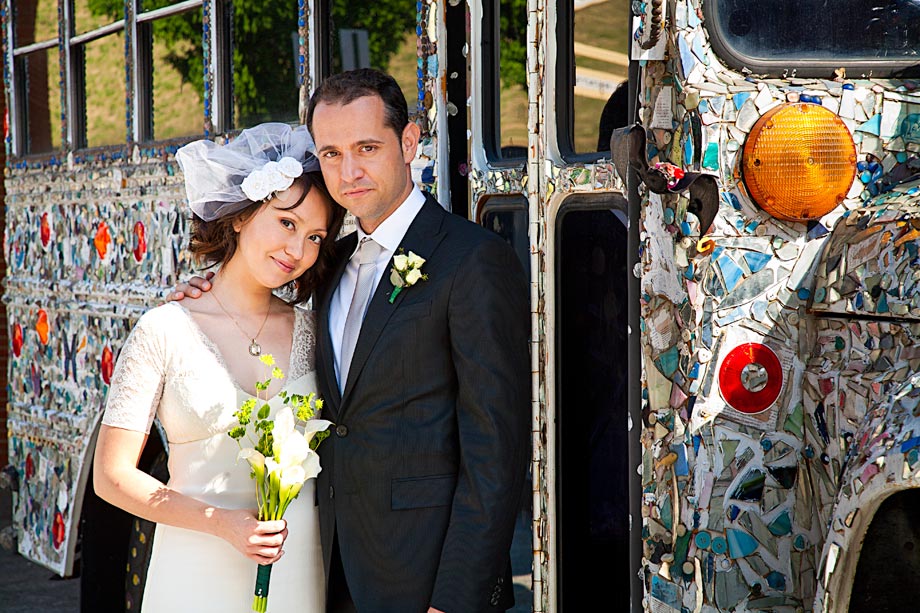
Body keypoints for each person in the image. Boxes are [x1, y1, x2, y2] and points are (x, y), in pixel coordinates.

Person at [174, 69, 531, 613]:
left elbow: (496, 455)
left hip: (426, 579)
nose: (349, 171)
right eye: (332, 153)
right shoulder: (329, 262)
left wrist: (453, 600)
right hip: (331, 569)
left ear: (408, 142)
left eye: (367, 147)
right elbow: (259, 293)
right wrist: (204, 290)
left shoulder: (473, 260)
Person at [94, 123, 345, 612]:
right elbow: (111, 475)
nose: (298, 250)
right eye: (287, 223)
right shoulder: (163, 329)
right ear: (238, 217)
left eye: (315, 236)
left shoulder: (320, 331)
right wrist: (221, 523)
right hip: (193, 572)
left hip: (298, 570)